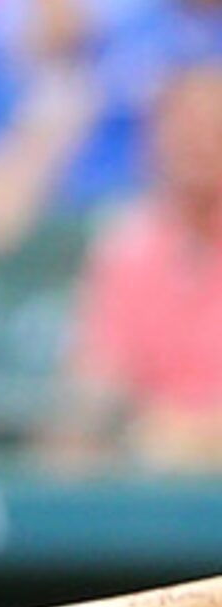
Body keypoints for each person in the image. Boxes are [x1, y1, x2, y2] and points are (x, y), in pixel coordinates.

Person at [50, 62, 222, 467]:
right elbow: (98, 375)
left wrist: (196, 434)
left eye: (209, 127)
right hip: (150, 462)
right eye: (179, 128)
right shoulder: (128, 248)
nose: (194, 143)